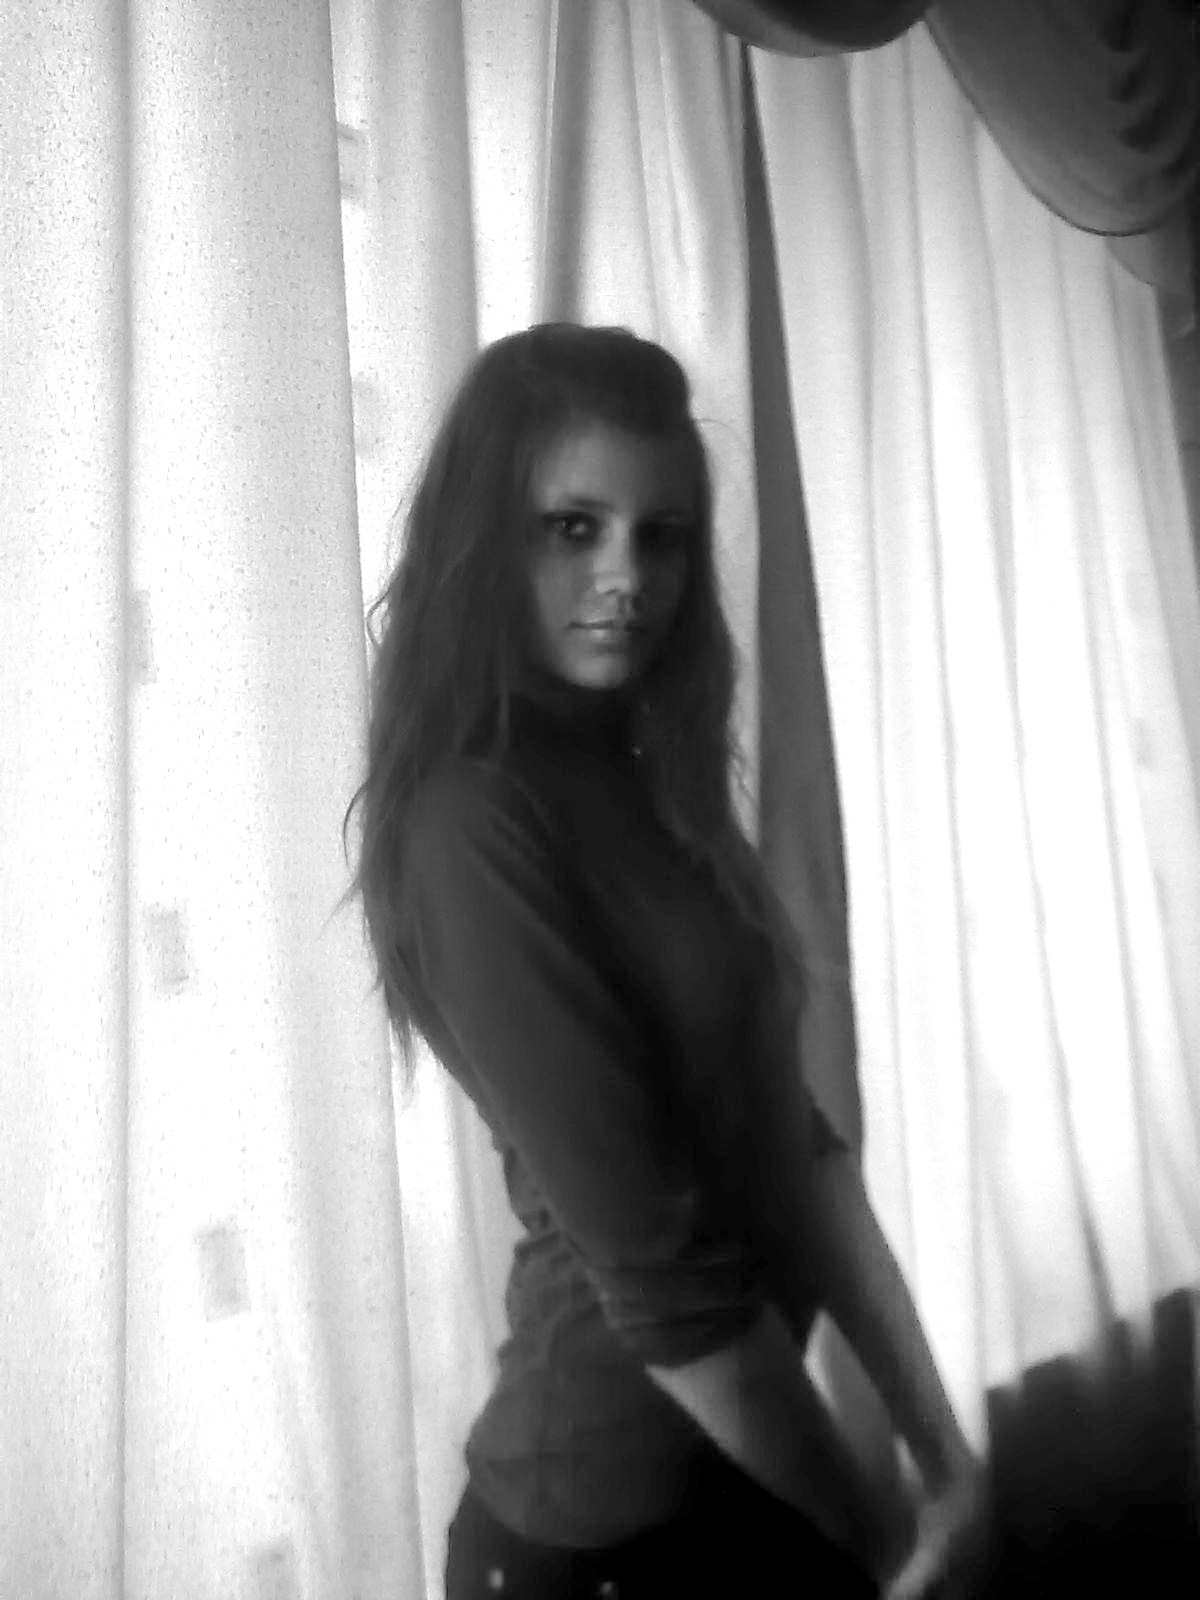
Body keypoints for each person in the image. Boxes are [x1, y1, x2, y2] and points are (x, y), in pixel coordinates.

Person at [346, 323, 988, 1598]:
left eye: (663, 535)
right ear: (485, 541)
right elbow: (667, 1287)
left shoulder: (648, 780)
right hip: (597, 1538)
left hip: (747, 1475)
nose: (627, 576)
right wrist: (877, 1543)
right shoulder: (475, 819)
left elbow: (794, 1145)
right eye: (573, 527)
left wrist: (943, 1455)